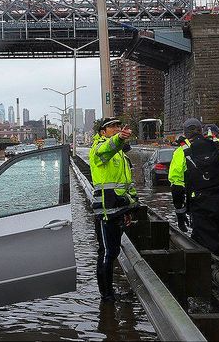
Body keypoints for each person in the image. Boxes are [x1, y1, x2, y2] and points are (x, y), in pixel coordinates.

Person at [168, 118, 219, 261]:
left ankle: (210, 276)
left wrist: (180, 213)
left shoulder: (181, 152)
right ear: (201, 130)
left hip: (201, 204)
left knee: (204, 245)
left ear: (185, 133)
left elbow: (177, 185)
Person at [89, 117, 138, 302]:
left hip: (118, 208)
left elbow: (126, 183)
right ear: (103, 132)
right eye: (112, 127)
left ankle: (109, 293)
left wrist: (129, 209)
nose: (117, 129)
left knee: (114, 250)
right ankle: (106, 295)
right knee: (107, 252)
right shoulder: (99, 149)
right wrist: (120, 139)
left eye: (118, 126)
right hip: (105, 210)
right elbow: (107, 149)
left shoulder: (120, 154)